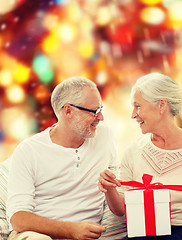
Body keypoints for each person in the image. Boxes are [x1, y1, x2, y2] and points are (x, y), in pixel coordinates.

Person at [98, 73, 182, 240]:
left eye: (138, 106)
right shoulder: (133, 151)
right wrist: (109, 189)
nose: (133, 114)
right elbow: (121, 212)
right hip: (146, 232)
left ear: (161, 105)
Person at [7, 76, 119, 240]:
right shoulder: (28, 151)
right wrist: (71, 230)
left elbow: (118, 194)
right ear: (68, 111)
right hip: (38, 235)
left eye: (100, 109)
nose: (101, 117)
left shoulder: (105, 136)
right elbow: (18, 218)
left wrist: (110, 186)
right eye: (94, 111)